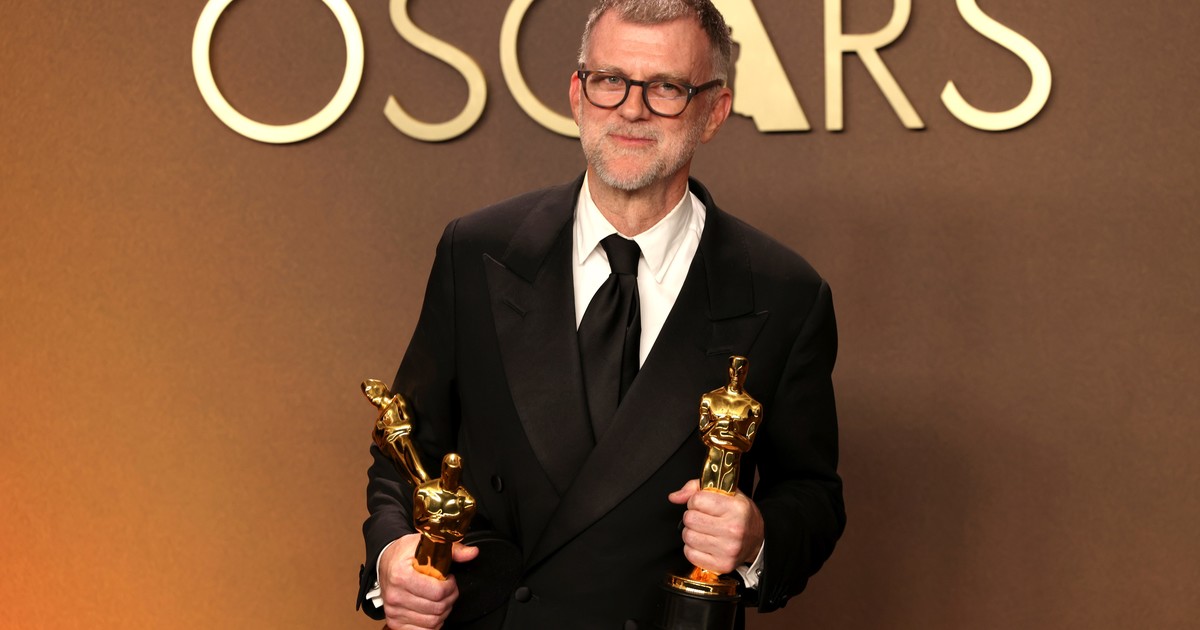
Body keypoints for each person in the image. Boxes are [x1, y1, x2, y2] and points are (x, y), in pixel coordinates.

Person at [357, 1, 844, 628]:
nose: (632, 109)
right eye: (610, 80)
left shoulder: (785, 293)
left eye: (666, 87)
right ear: (577, 94)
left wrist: (756, 538)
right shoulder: (476, 251)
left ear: (715, 111)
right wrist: (394, 556)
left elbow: (812, 495)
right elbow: (404, 447)